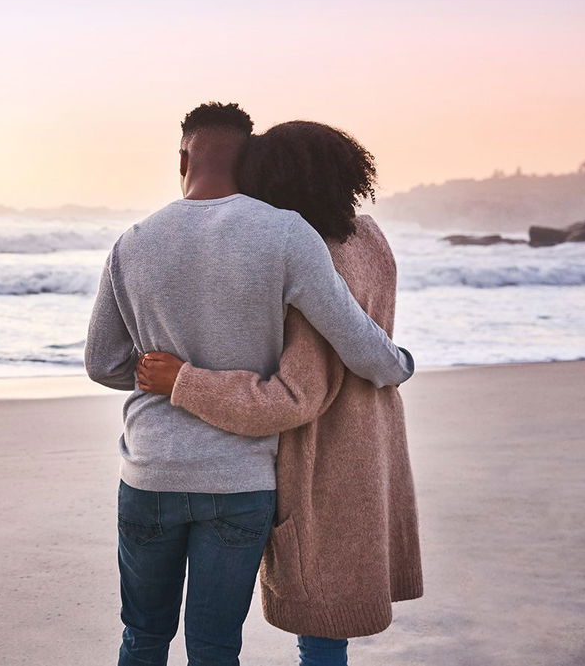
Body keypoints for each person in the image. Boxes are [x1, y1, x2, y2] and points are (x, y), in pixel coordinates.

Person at [84, 103, 414, 666]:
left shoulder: (133, 242)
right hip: (239, 478)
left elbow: (103, 363)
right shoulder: (290, 235)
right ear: (248, 161)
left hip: (150, 469)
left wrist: (159, 375)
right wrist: (396, 362)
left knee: (142, 635)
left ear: (183, 155)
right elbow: (352, 339)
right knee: (215, 647)